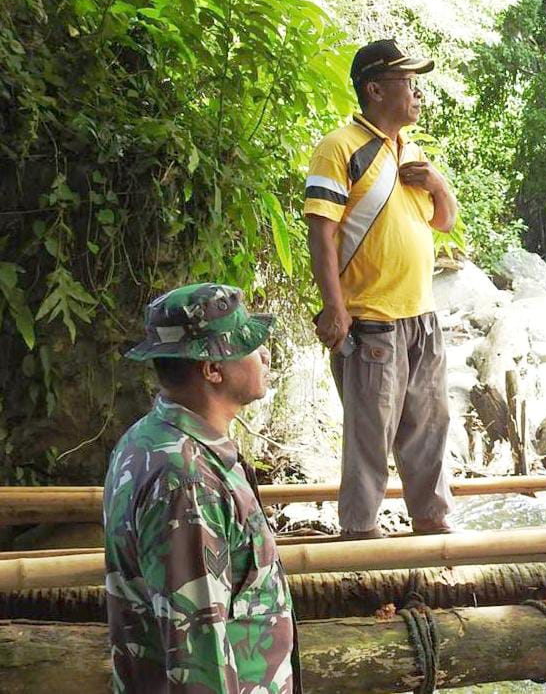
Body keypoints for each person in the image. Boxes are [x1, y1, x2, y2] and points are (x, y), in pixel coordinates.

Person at [104, 283, 301, 693]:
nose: (264, 355)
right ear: (212, 369)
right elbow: (197, 650)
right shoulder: (188, 482)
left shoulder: (147, 440)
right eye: (249, 346)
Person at [303, 39, 458, 538]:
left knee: (430, 430)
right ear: (375, 89)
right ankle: (360, 539)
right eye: (407, 84)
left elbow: (445, 223)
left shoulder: (410, 151)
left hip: (421, 316)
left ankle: (432, 527)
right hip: (371, 319)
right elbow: (321, 231)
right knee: (370, 437)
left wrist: (437, 183)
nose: (417, 94)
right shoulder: (340, 148)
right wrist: (335, 308)